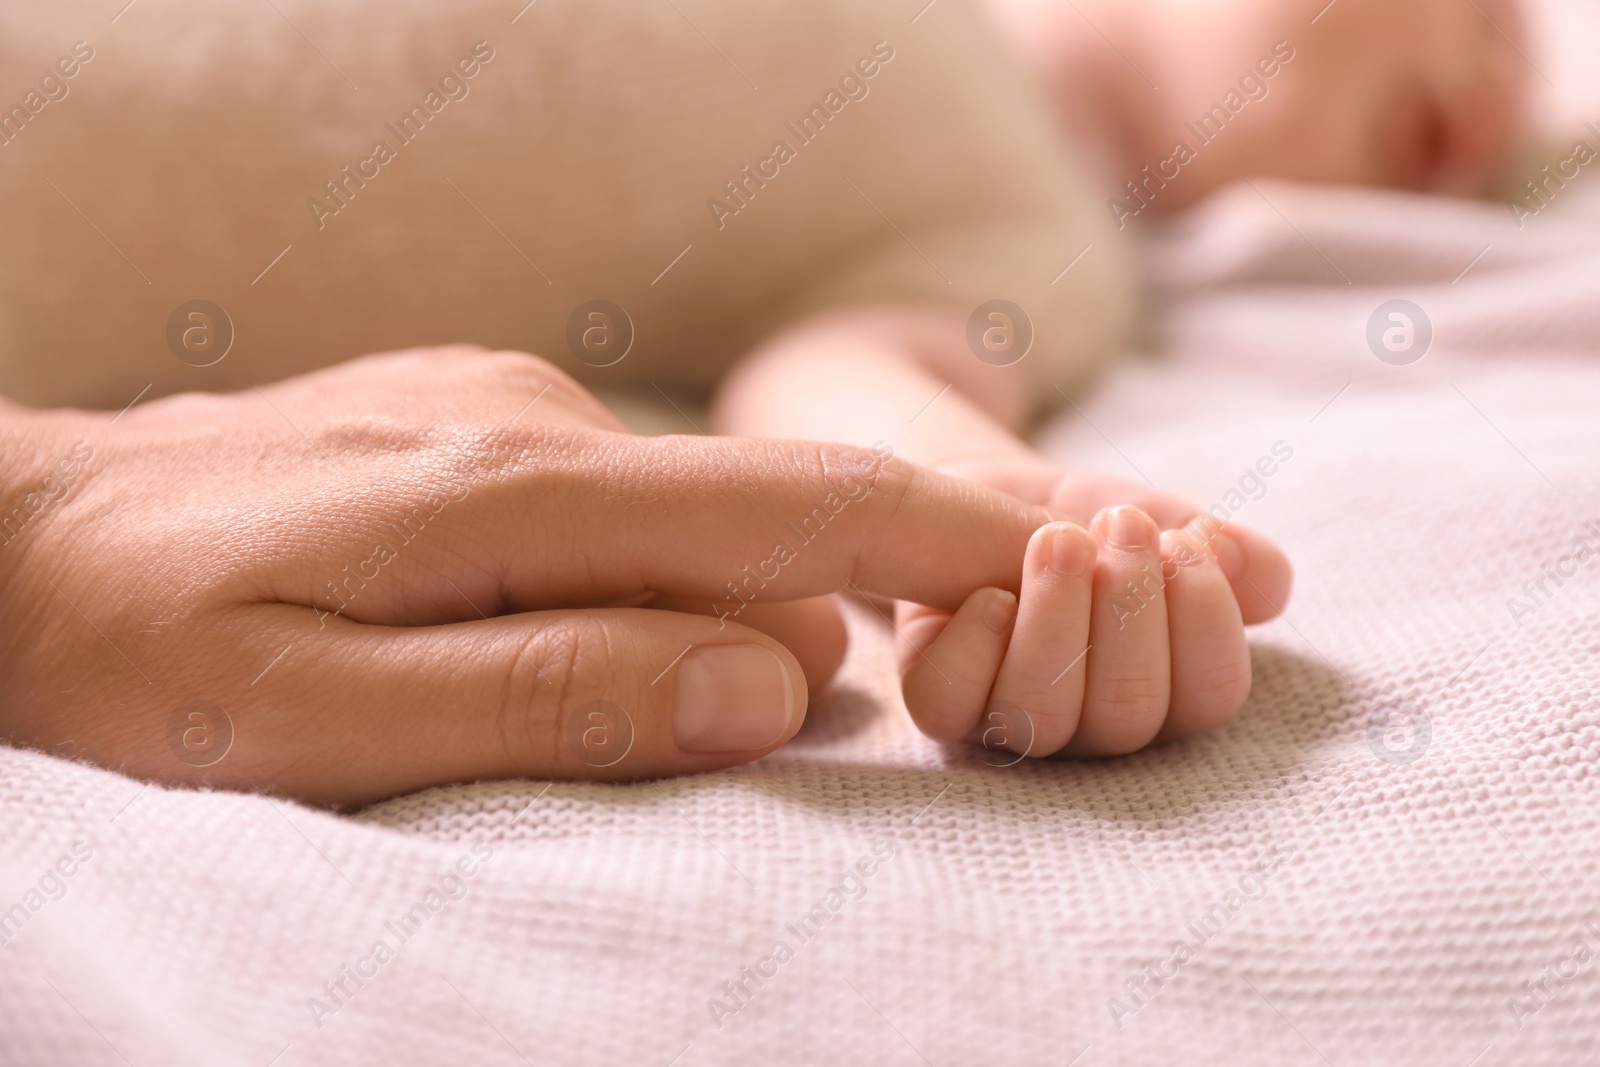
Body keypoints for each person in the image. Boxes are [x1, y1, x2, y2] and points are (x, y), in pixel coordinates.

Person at [0, 0, 1526, 802]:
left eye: (1507, 131)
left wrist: (1034, 553)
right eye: (1484, 17)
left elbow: (856, 399)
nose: (1492, 104)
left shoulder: (1047, 234)